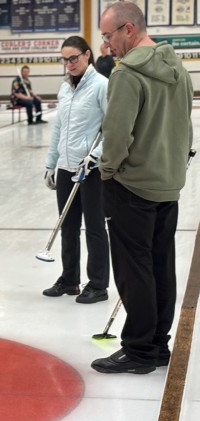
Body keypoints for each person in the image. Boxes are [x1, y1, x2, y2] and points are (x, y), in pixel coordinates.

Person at [91, 2, 193, 374]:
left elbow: (117, 135)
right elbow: (186, 125)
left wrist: (108, 172)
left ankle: (138, 350)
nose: (107, 44)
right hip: (167, 184)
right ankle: (157, 344)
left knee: (134, 270)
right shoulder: (178, 69)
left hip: (132, 186)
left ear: (129, 29)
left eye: (108, 35)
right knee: (161, 265)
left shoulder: (127, 73)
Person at [42, 36, 109, 305]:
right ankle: (69, 279)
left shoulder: (102, 85)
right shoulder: (65, 88)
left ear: (87, 55)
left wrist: (96, 156)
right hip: (66, 166)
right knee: (68, 226)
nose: (69, 64)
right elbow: (59, 128)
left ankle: (98, 284)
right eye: (65, 60)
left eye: (73, 58)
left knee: (94, 227)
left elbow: (112, 127)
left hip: (91, 170)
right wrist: (51, 162)